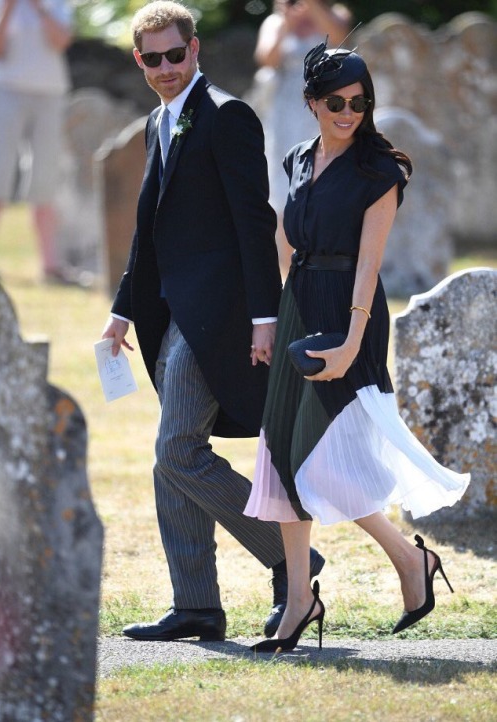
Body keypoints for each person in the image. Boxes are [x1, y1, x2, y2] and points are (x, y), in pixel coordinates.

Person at [101, 0, 325, 643]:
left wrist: (264, 318)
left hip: (224, 315)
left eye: (178, 54)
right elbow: (150, 232)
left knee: (176, 451)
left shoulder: (228, 116)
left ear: (195, 50)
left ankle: (292, 558)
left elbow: (257, 225)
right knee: (171, 456)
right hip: (171, 315)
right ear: (140, 62)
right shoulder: (156, 122)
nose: (168, 67)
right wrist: (120, 312)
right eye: (155, 59)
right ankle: (196, 603)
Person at [245, 41, 471, 652]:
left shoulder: (381, 171)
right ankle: (298, 602)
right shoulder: (295, 158)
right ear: (312, 102)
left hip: (352, 317)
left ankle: (407, 560)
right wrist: (268, 322)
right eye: (337, 102)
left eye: (360, 102)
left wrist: (348, 343)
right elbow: (285, 248)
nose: (349, 112)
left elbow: (369, 265)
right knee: (283, 456)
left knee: (323, 456)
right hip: (299, 311)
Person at [252, 0, 352, 278]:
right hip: (285, 113)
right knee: (285, 189)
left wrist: (312, 7)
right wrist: (287, 22)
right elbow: (266, 58)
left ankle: (327, 266)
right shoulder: (275, 22)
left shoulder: (335, 14)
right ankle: (290, 272)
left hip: (326, 110)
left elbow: (341, 38)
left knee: (327, 181)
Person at [0, 0, 73, 282]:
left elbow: (60, 41)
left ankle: (50, 265)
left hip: (50, 94)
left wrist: (39, 8)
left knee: (46, 178)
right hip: (5, 91)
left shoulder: (58, 3)